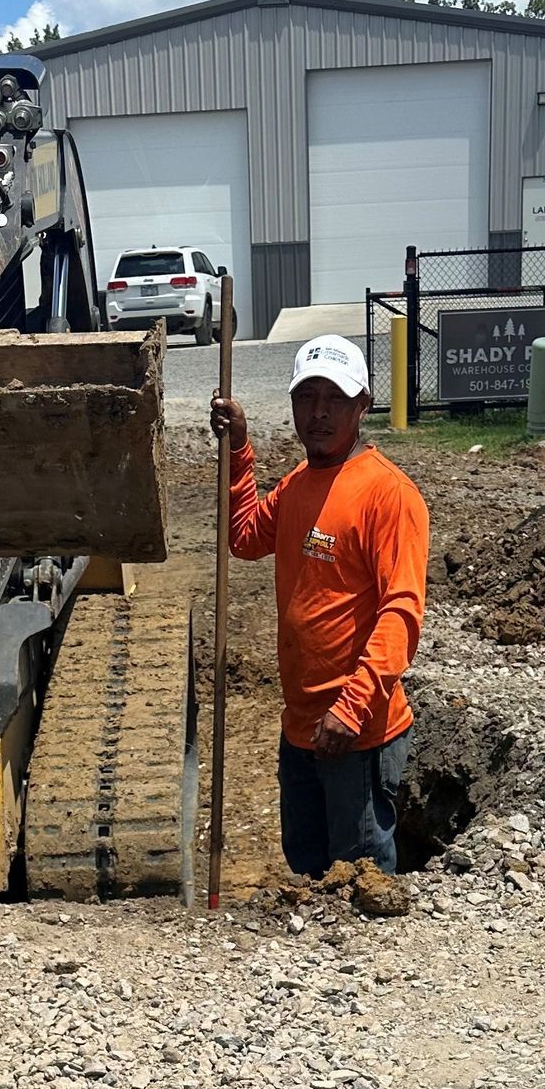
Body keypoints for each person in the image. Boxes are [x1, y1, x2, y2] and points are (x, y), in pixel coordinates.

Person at [210, 333, 429, 877]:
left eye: (335, 399)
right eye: (307, 398)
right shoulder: (297, 486)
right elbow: (244, 537)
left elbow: (401, 614)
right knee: (306, 870)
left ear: (363, 405)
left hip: (357, 732)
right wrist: (238, 448)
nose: (319, 413)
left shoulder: (388, 495)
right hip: (302, 725)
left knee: (361, 875)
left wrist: (350, 708)